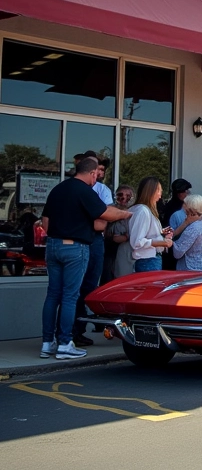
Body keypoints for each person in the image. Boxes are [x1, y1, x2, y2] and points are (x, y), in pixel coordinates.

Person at [40, 157, 131, 360]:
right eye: (95, 175)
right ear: (91, 173)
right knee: (70, 296)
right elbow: (105, 214)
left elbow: (45, 223)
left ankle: (47, 343)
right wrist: (125, 215)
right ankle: (65, 343)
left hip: (53, 246)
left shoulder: (58, 189)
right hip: (75, 248)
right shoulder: (84, 191)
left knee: (53, 295)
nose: (96, 178)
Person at [71, 151, 114, 346]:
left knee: (89, 286)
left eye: (100, 168)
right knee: (72, 288)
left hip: (95, 240)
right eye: (94, 168)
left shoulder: (103, 190)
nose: (97, 172)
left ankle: (78, 330)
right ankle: (68, 332)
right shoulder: (73, 187)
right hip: (76, 238)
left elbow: (103, 220)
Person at [129, 176, 174, 272]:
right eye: (159, 191)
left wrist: (162, 234)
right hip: (147, 260)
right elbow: (137, 241)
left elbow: (145, 233)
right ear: (151, 191)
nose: (160, 196)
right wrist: (162, 242)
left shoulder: (142, 210)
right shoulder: (143, 211)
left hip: (149, 259)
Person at [172, 194, 202, 272]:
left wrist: (170, 241)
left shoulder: (193, 228)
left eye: (185, 204)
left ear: (190, 209)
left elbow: (178, 252)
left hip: (190, 272)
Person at [103, 184, 134, 282]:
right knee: (108, 279)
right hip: (110, 250)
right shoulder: (109, 209)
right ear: (116, 196)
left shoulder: (135, 211)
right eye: (120, 195)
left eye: (128, 196)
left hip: (129, 252)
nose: (124, 198)